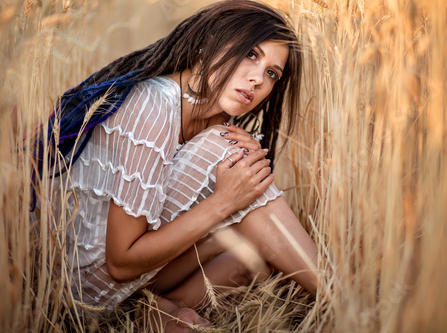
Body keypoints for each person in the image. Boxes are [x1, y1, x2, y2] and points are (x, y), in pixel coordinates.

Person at [34, 0, 318, 331]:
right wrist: (224, 201)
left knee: (251, 256)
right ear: (207, 42)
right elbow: (120, 263)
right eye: (250, 54)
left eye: (271, 73)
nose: (257, 79)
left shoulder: (217, 120)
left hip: (136, 284)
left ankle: (153, 313)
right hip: (85, 287)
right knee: (231, 157)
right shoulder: (153, 105)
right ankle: (339, 302)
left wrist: (235, 193)